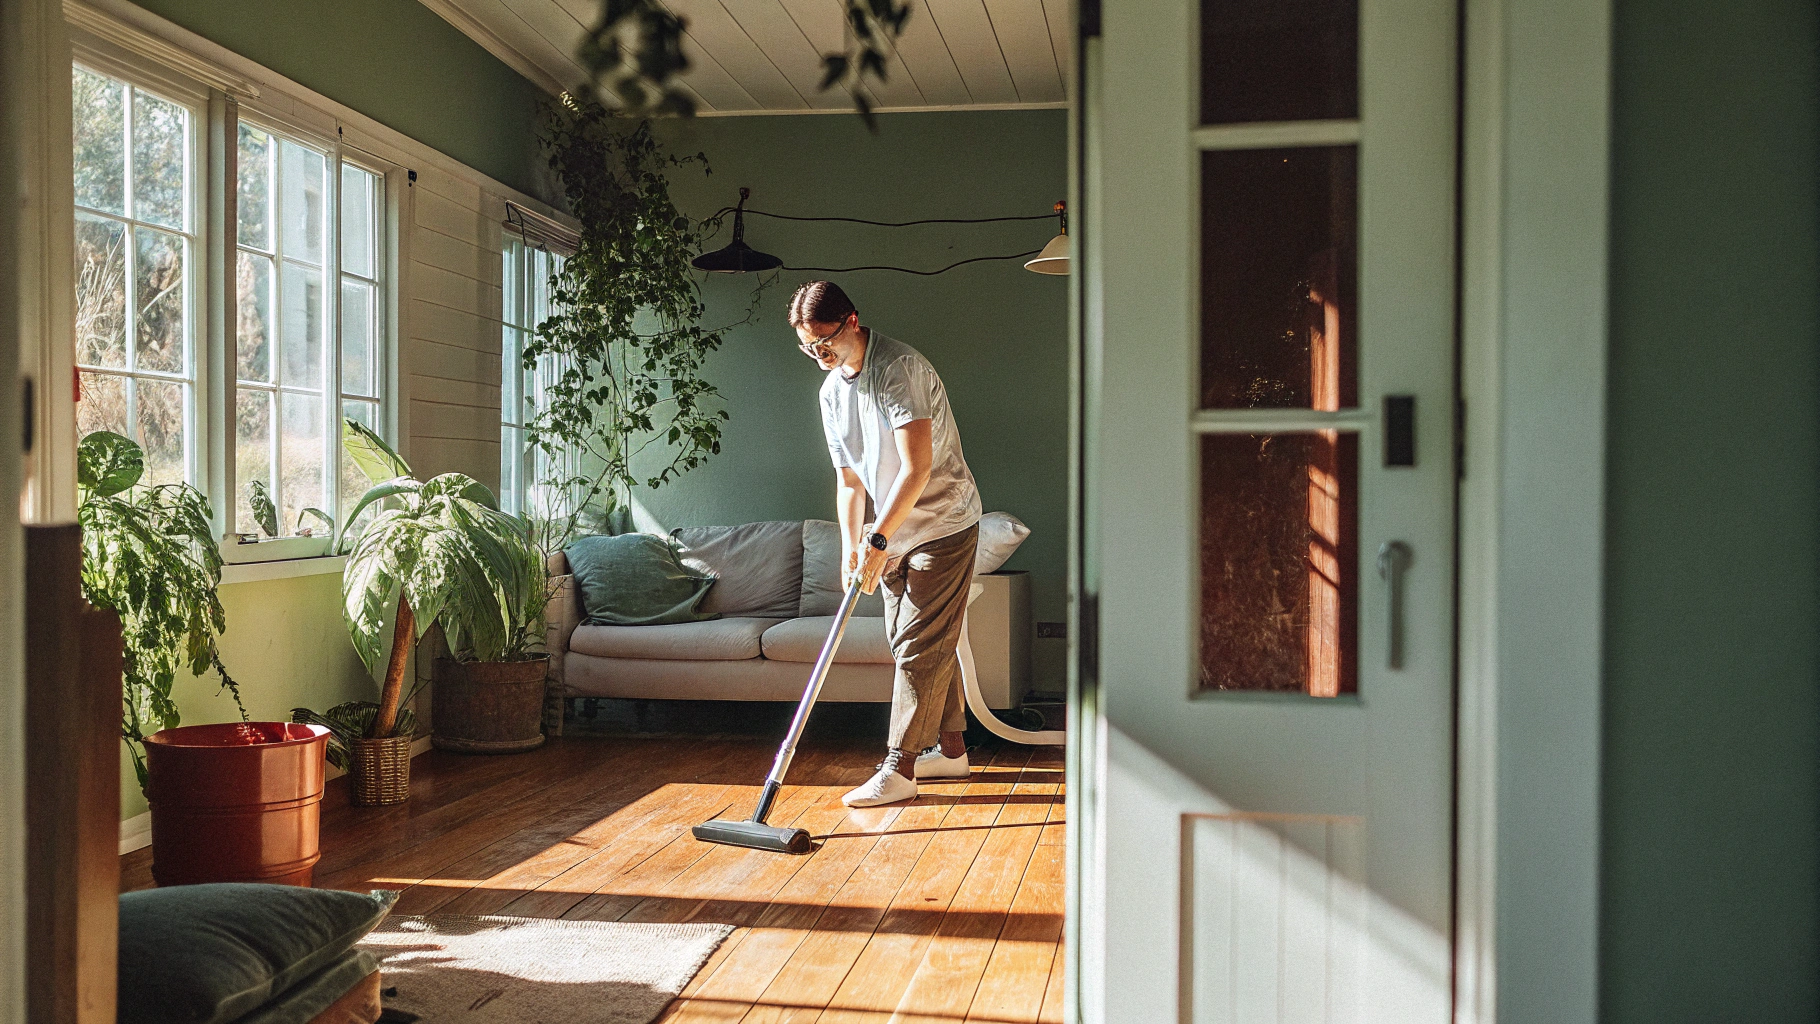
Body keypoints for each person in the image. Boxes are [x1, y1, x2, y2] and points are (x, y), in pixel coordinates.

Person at [789, 280, 983, 808]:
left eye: (824, 341)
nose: (818, 355)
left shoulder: (899, 369)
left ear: (852, 321)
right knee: (909, 642)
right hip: (892, 532)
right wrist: (854, 546)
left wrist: (878, 539)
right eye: (808, 346)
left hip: (943, 520)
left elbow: (917, 468)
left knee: (920, 643)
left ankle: (899, 766)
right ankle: (952, 749)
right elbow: (850, 482)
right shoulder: (831, 392)